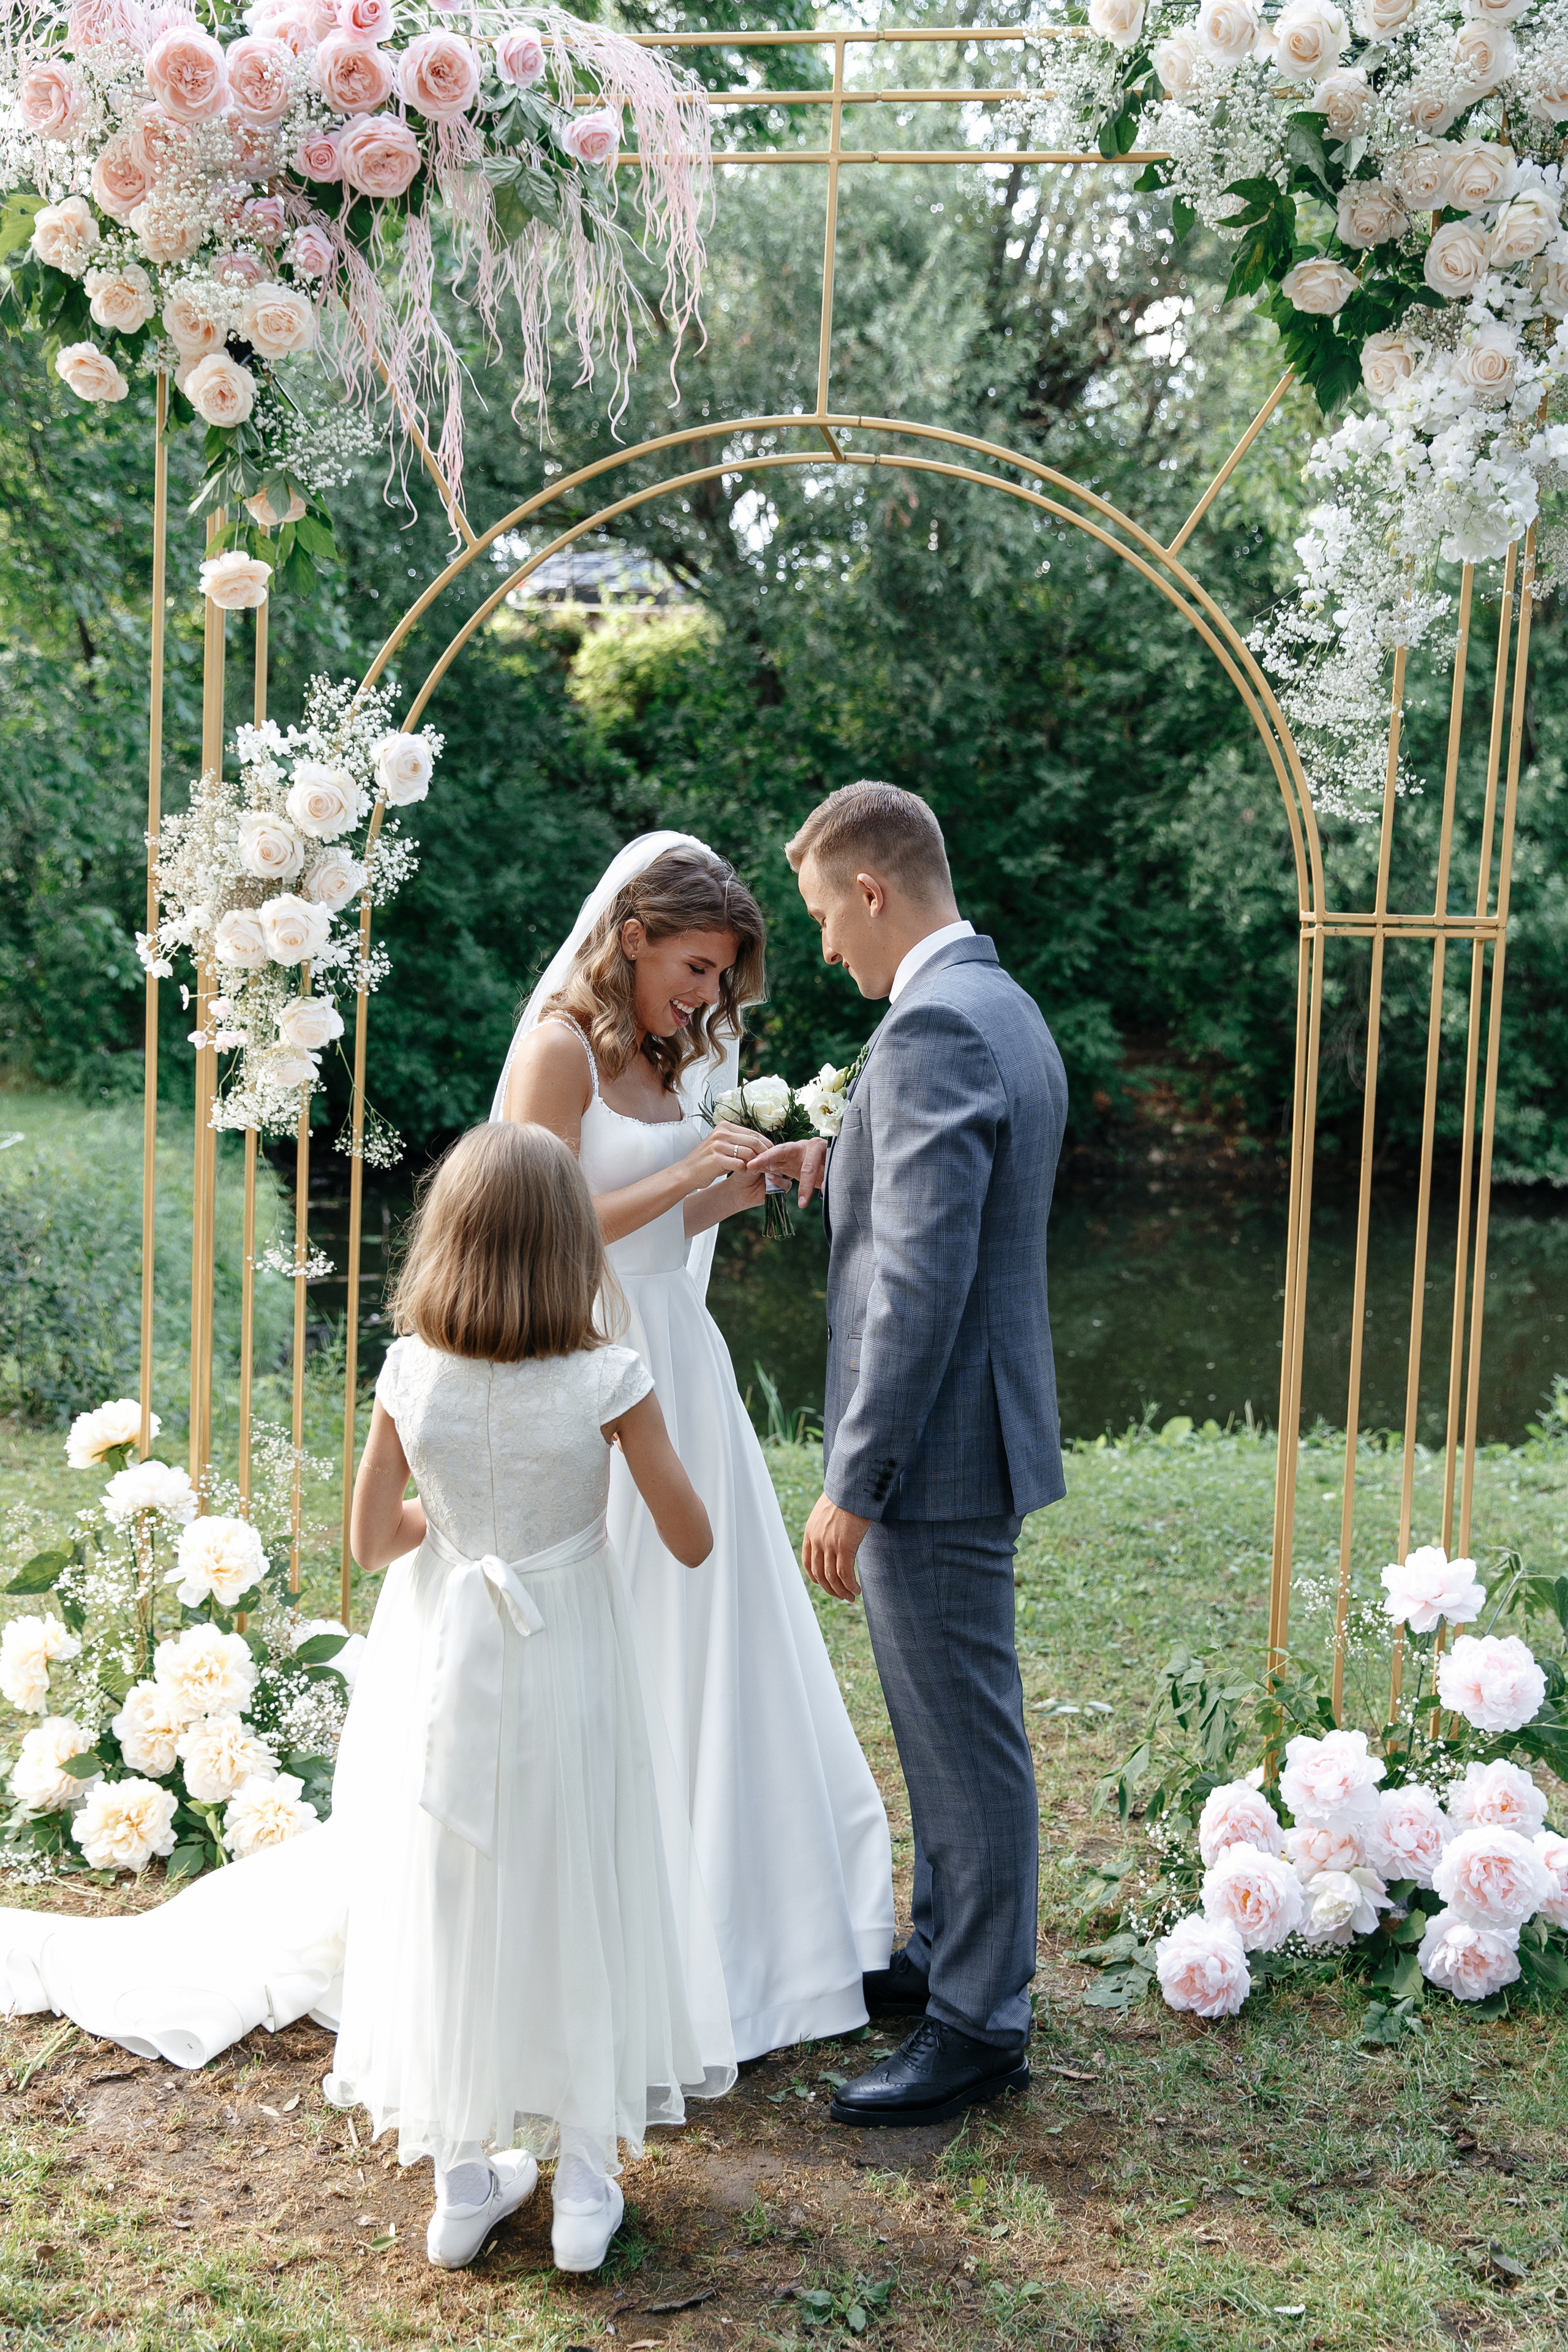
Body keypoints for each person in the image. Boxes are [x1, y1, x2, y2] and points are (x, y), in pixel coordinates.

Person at [494, 833, 894, 2060]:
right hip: (589, 1362)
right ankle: (600, 1921)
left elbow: (669, 1216)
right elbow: (535, 1227)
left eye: (721, 978)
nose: (708, 997)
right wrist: (679, 1181)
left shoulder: (669, 1057)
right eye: (695, 967)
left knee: (706, 1628)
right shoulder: (558, 1046)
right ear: (630, 940)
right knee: (608, 1626)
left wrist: (752, 1177)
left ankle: (742, 1923)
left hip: (681, 1360)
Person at [334, 1120, 734, 2273]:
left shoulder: (413, 1371)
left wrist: (453, 1535)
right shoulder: (606, 1376)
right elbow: (694, 1539)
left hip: (447, 1658)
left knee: (459, 1883)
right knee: (583, 1880)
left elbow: (369, 1542)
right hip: (570, 1658)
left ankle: (465, 2179)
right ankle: (584, 2188)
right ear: (572, 1248)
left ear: (448, 1241)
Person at [755, 782, 1068, 2129]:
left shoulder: (933, 1026)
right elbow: (940, 1207)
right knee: (947, 1726)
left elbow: (920, 1282)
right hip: (975, 1430)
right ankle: (943, 1956)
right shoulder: (996, 1003)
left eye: (826, 915)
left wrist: (851, 1479)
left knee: (962, 1736)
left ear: (873, 891)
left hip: (933, 1452)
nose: (825, 946)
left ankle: (975, 2023)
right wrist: (850, 1155)